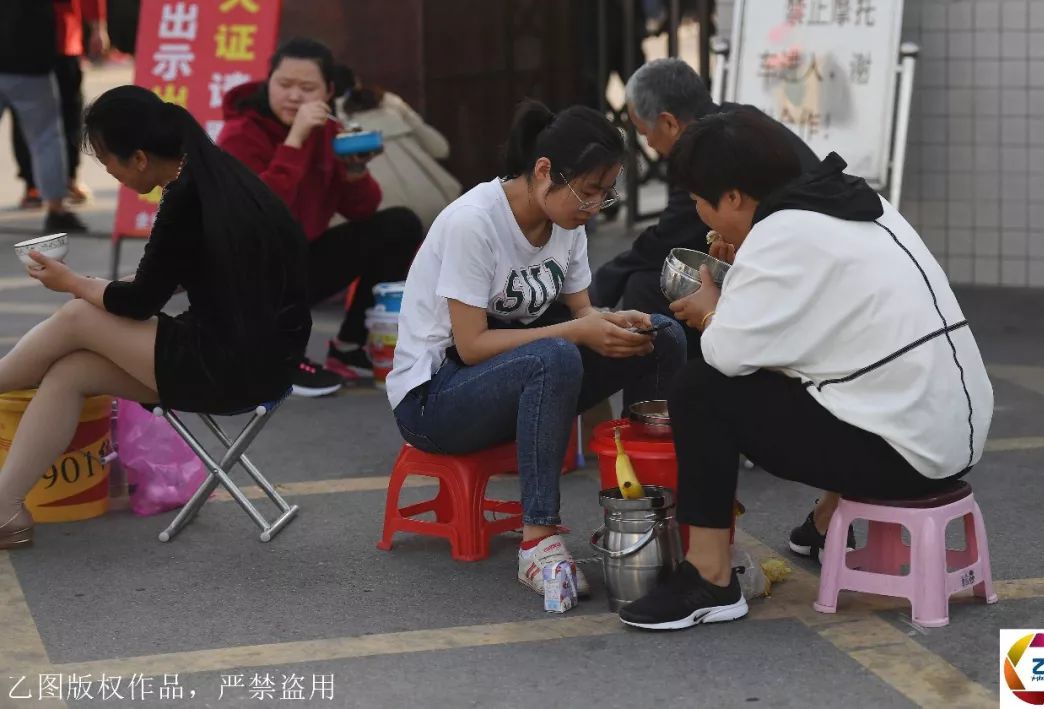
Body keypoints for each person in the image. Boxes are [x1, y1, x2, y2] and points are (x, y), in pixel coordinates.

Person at [618, 110, 993, 630]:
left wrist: (709, 308)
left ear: (732, 197)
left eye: (700, 202)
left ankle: (709, 578)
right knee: (824, 364)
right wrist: (746, 266)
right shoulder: (856, 203)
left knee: (700, 389)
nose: (701, 216)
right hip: (952, 431)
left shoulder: (780, 236)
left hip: (906, 454)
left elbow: (727, 353)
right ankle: (824, 523)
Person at [387, 100, 687, 596]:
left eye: (604, 196)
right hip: (435, 399)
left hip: (517, 378)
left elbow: (582, 313)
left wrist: (613, 322)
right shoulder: (474, 222)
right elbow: (474, 344)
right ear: (544, 171)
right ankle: (538, 541)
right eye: (588, 192)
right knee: (556, 356)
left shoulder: (566, 225)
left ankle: (648, 513)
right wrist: (578, 331)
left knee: (660, 335)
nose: (593, 207)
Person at [0, 86, 311, 550]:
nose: (108, 171)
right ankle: (4, 510)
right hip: (268, 358)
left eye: (109, 161)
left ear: (140, 158)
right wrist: (96, 286)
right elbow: (174, 275)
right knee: (70, 372)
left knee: (77, 317)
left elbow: (138, 302)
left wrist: (72, 281)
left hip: (229, 365)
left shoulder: (184, 198)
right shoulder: (220, 173)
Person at [218, 38, 425, 397]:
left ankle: (348, 347)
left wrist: (355, 173)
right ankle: (281, 360)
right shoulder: (239, 134)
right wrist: (295, 140)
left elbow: (361, 210)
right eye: (283, 85)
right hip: (246, 274)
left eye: (307, 88)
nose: (294, 97)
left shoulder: (329, 131)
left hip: (299, 260)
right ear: (268, 83)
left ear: (328, 91)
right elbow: (259, 216)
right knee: (281, 249)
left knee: (399, 226)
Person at [591, 58, 819, 357]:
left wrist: (596, 291)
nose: (649, 144)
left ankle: (657, 400)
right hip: (798, 259)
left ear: (669, 122)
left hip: (799, 278)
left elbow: (668, 237)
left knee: (645, 287)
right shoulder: (739, 119)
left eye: (645, 134)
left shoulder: (708, 152)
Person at [12, 0, 110, 208]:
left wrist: (98, 27)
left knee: (69, 114)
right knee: (29, 119)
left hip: (63, 38)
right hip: (21, 44)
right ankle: (34, 184)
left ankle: (67, 178)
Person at [0, 0, 87, 233]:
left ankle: (46, 200)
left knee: (45, 137)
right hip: (29, 61)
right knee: (46, 139)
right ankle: (56, 210)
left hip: (27, 59)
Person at [337, 77, 462, 231]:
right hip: (440, 210)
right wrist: (405, 112)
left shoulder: (336, 130)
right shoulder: (394, 111)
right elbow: (441, 150)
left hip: (385, 226)